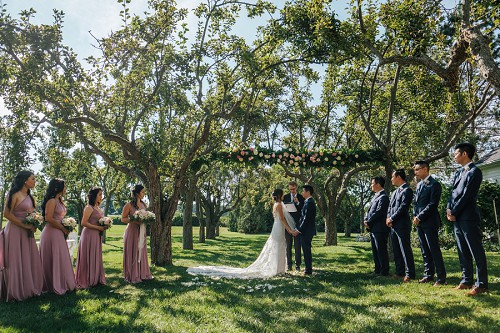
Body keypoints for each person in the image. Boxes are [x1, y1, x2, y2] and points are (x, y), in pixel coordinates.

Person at [187, 189, 296, 278]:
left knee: (277, 246)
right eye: (282, 194)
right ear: (280, 195)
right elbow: (282, 219)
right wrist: (290, 230)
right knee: (278, 246)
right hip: (279, 227)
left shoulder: (275, 204)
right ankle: (278, 269)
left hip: (276, 227)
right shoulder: (280, 205)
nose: (284, 196)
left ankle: (278, 269)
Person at [447, 143, 488, 296]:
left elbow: (467, 195)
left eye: (456, 153)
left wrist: (454, 211)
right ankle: (466, 280)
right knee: (462, 250)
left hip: (468, 217)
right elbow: (452, 194)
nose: (454, 156)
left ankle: (482, 284)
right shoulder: (458, 173)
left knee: (475, 250)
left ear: (464, 154)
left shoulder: (475, 171)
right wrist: (448, 209)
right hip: (456, 217)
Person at [0, 170, 43, 301]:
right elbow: (7, 214)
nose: (35, 181)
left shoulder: (30, 196)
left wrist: (34, 223)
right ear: (25, 180)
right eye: (33, 178)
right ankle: (16, 290)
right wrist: (24, 225)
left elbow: (31, 213)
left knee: (27, 259)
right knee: (15, 260)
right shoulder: (15, 194)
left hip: (27, 231)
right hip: (15, 231)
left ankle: (28, 288)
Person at [39, 178, 76, 294]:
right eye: (64, 186)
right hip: (51, 232)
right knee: (53, 256)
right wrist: (63, 228)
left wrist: (67, 225)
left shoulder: (59, 200)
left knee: (60, 256)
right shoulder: (51, 201)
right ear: (58, 188)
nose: (65, 189)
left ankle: (61, 281)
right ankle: (51, 284)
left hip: (58, 232)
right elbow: (48, 218)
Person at [413, 161, 446, 286]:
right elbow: (416, 204)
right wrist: (415, 216)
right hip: (419, 222)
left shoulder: (434, 184)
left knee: (434, 249)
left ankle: (441, 278)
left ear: (425, 169)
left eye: (417, 169)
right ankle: (428, 275)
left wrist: (420, 217)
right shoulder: (419, 185)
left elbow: (432, 204)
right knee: (424, 250)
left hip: (430, 222)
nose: (415, 172)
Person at [386, 169, 415, 282]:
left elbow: (403, 207)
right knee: (396, 249)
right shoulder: (394, 192)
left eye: (393, 177)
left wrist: (392, 218)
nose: (391, 179)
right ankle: (399, 272)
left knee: (405, 249)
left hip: (402, 224)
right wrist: (388, 217)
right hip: (393, 225)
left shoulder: (407, 191)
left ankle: (410, 274)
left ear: (398, 177)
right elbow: (390, 207)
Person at [75, 187, 106, 289]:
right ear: (94, 196)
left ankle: (96, 278)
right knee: (88, 255)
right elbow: (84, 223)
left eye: (102, 194)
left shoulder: (98, 207)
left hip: (97, 235)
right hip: (89, 235)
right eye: (100, 195)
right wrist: (98, 227)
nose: (101, 197)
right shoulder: (89, 207)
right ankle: (87, 279)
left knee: (95, 255)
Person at [121, 184, 153, 283]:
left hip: (141, 231)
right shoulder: (129, 205)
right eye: (142, 192)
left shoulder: (144, 205)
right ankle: (132, 275)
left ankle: (142, 273)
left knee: (141, 251)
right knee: (133, 251)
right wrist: (134, 220)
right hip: (132, 231)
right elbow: (123, 219)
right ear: (137, 193)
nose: (144, 194)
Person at [364, 176, 390, 277]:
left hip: (380, 228)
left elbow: (379, 212)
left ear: (378, 184)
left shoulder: (384, 197)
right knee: (375, 250)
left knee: (381, 250)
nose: (371, 185)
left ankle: (384, 271)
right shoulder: (375, 196)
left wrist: (369, 222)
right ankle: (377, 270)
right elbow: (370, 210)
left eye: (372, 183)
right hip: (373, 228)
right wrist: (366, 219)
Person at [295, 185, 317, 275]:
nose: (302, 193)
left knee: (306, 250)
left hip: (307, 231)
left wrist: (299, 230)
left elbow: (306, 218)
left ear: (308, 192)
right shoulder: (307, 201)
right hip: (306, 230)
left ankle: (308, 270)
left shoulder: (310, 202)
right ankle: (308, 268)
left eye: (303, 191)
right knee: (306, 250)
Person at [283, 181, 304, 271]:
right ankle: (289, 265)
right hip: (287, 225)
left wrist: (298, 203)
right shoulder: (286, 197)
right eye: (290, 189)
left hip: (297, 225)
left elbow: (303, 210)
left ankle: (298, 265)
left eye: (293, 189)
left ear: (296, 188)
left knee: (297, 246)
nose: (292, 191)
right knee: (288, 246)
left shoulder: (301, 197)